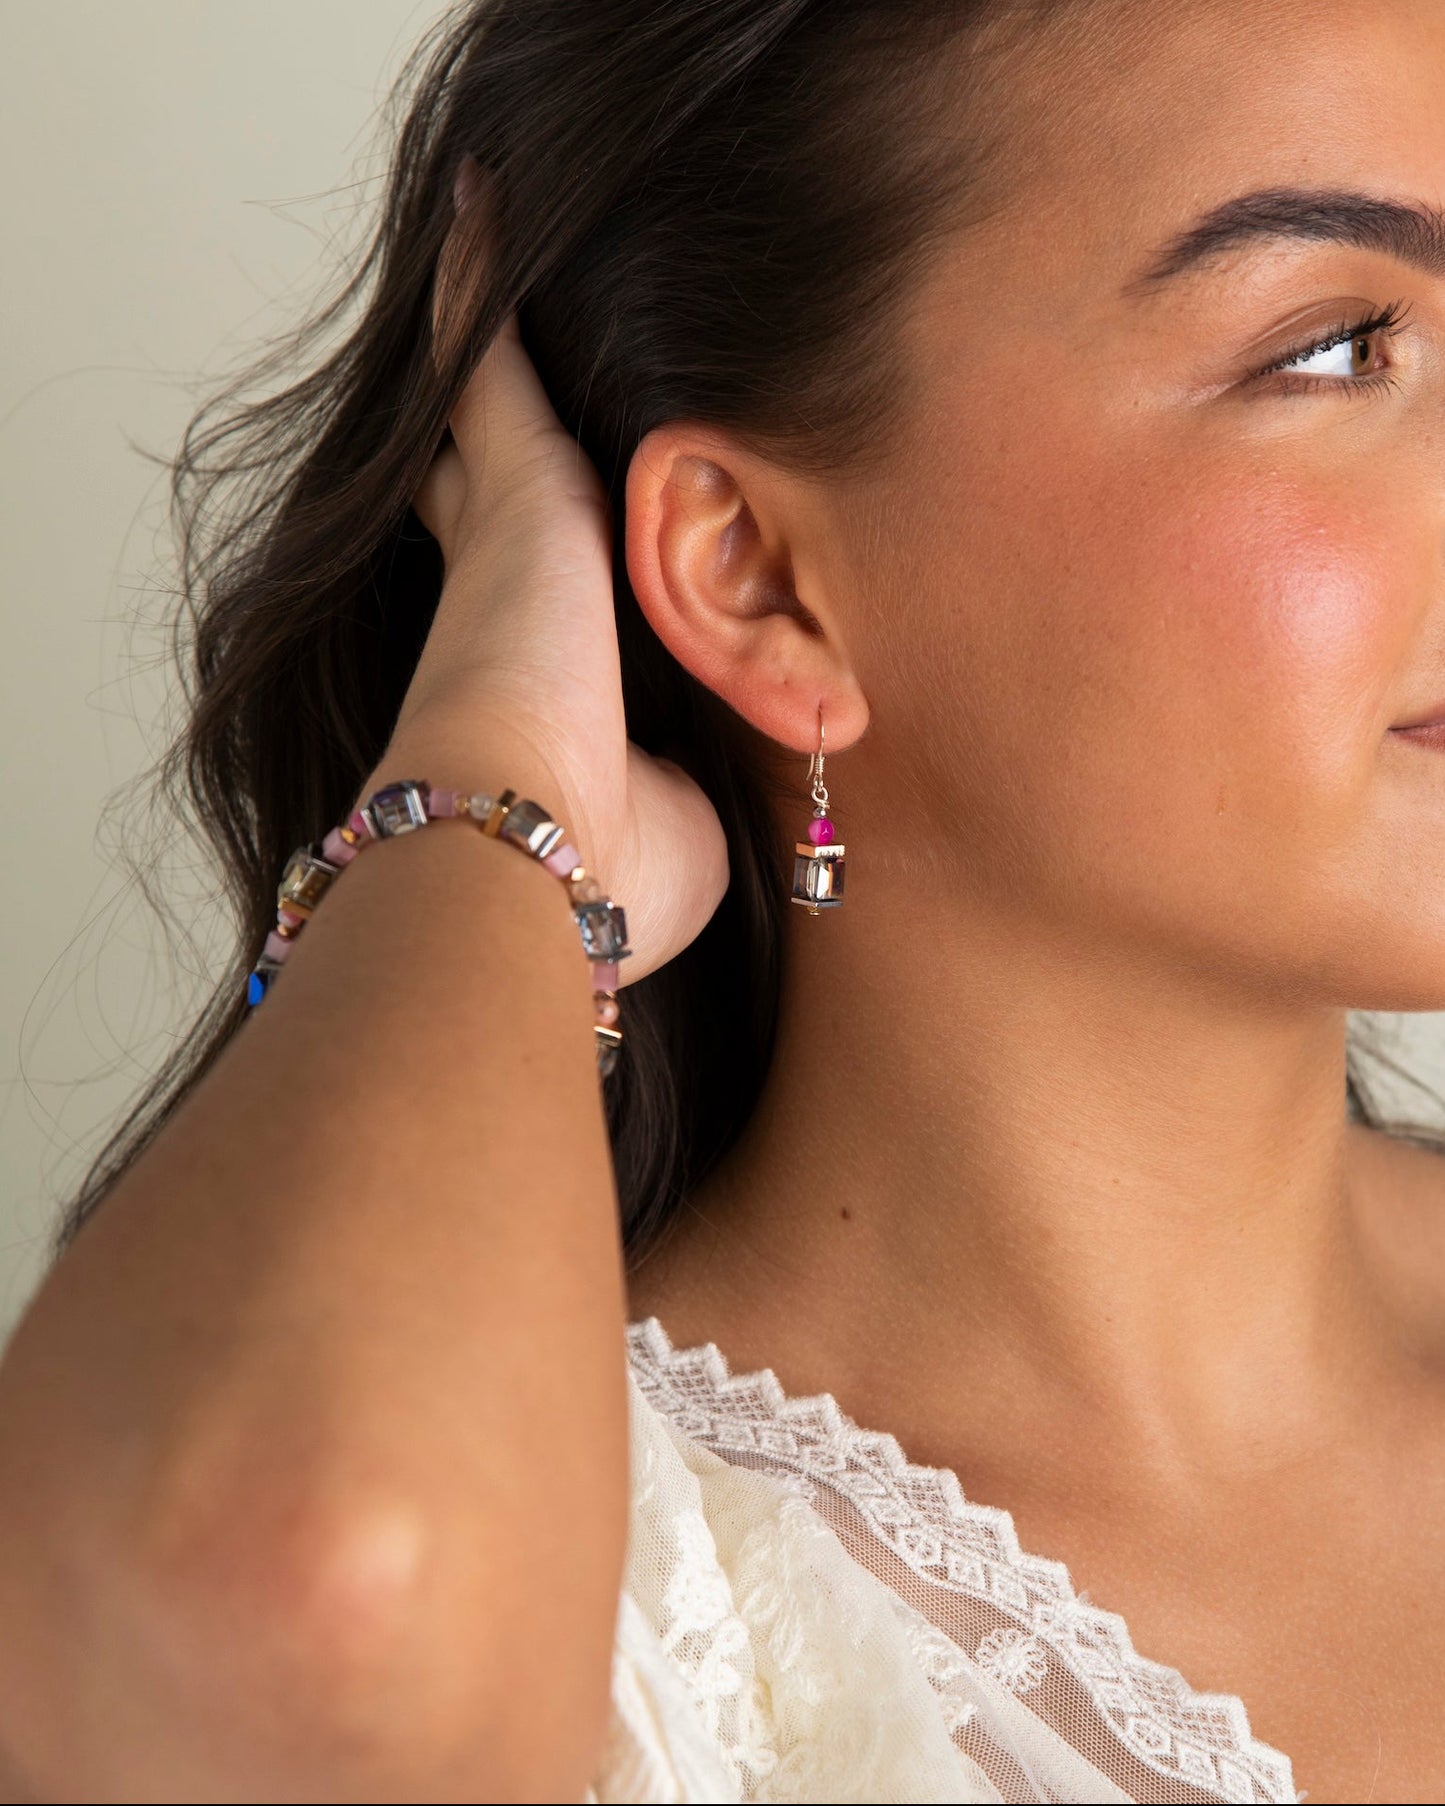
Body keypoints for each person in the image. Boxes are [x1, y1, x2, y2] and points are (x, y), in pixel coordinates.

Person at [3, 0, 1445, 1797]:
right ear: (758, 579)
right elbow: (270, 1592)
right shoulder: (631, 1621)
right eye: (1335, 344)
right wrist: (503, 792)